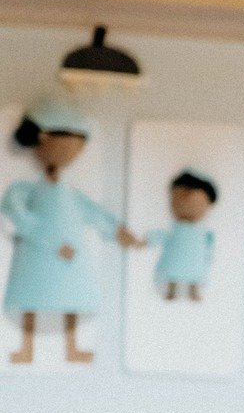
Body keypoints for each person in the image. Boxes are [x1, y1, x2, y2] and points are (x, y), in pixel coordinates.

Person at [4, 98, 143, 365]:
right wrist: (52, 242)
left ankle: (71, 348)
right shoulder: (25, 190)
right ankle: (27, 348)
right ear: (42, 138)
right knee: (32, 297)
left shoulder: (70, 193)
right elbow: (19, 217)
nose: (74, 150)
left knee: (70, 298)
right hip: (38, 253)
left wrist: (117, 230)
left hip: (69, 255)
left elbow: (92, 212)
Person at [144, 170, 219, 302]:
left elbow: (209, 249)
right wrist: (143, 241)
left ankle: (192, 291)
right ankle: (172, 290)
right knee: (173, 273)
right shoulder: (175, 231)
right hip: (177, 263)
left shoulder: (203, 234)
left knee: (193, 277)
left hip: (195, 265)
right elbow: (160, 236)